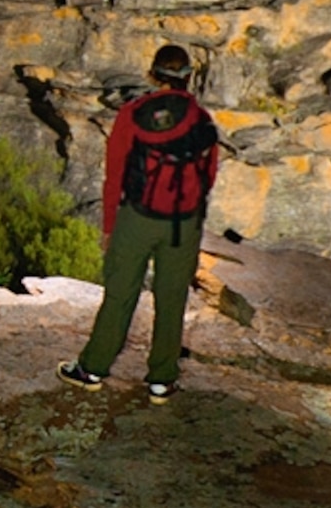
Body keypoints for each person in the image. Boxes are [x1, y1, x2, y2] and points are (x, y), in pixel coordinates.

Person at [60, 42, 221, 403]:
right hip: (184, 222)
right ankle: (162, 380)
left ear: (153, 74)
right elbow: (209, 172)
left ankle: (93, 369)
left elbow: (114, 176)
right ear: (188, 77)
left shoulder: (133, 114)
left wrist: (109, 226)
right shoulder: (201, 117)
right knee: (172, 296)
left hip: (137, 217)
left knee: (120, 293)